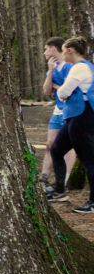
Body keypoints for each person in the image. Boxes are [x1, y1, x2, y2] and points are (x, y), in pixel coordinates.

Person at [45, 36, 94, 214]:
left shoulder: (79, 68)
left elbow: (64, 91)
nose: (63, 56)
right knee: (57, 150)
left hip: (82, 116)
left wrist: (64, 93)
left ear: (70, 51)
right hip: (75, 116)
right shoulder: (82, 67)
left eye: (64, 52)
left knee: (88, 158)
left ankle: (92, 202)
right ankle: (60, 190)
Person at [39, 37, 76, 187]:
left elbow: (68, 91)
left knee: (69, 147)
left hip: (70, 110)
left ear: (54, 48)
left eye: (46, 49)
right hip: (57, 111)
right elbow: (46, 91)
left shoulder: (68, 67)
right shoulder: (52, 68)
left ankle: (64, 181)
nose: (44, 53)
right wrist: (50, 71)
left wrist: (56, 86)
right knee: (50, 144)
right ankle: (43, 177)